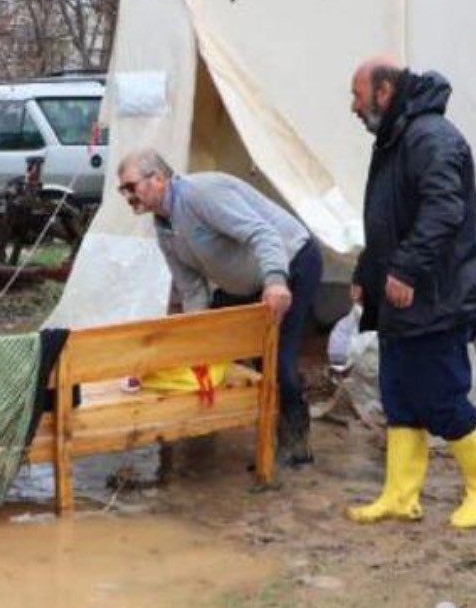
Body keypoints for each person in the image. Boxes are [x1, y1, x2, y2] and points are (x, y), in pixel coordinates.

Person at [344, 57, 476, 529]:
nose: (352, 106)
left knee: (442, 395)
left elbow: (442, 211)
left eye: (357, 94)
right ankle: (399, 495)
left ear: (384, 91)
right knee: (399, 394)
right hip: (404, 294)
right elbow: (387, 217)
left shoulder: (431, 137)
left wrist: (408, 269)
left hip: (439, 294)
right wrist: (366, 271)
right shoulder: (397, 136)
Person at [116, 149, 323, 465]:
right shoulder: (163, 226)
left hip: (291, 262)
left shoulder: (202, 194)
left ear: (158, 178)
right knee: (236, 347)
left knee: (277, 357)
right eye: (123, 190)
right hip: (247, 282)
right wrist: (197, 337)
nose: (127, 196)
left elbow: (263, 233)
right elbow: (192, 289)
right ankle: (247, 423)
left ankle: (296, 446)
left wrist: (276, 280)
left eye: (130, 186)